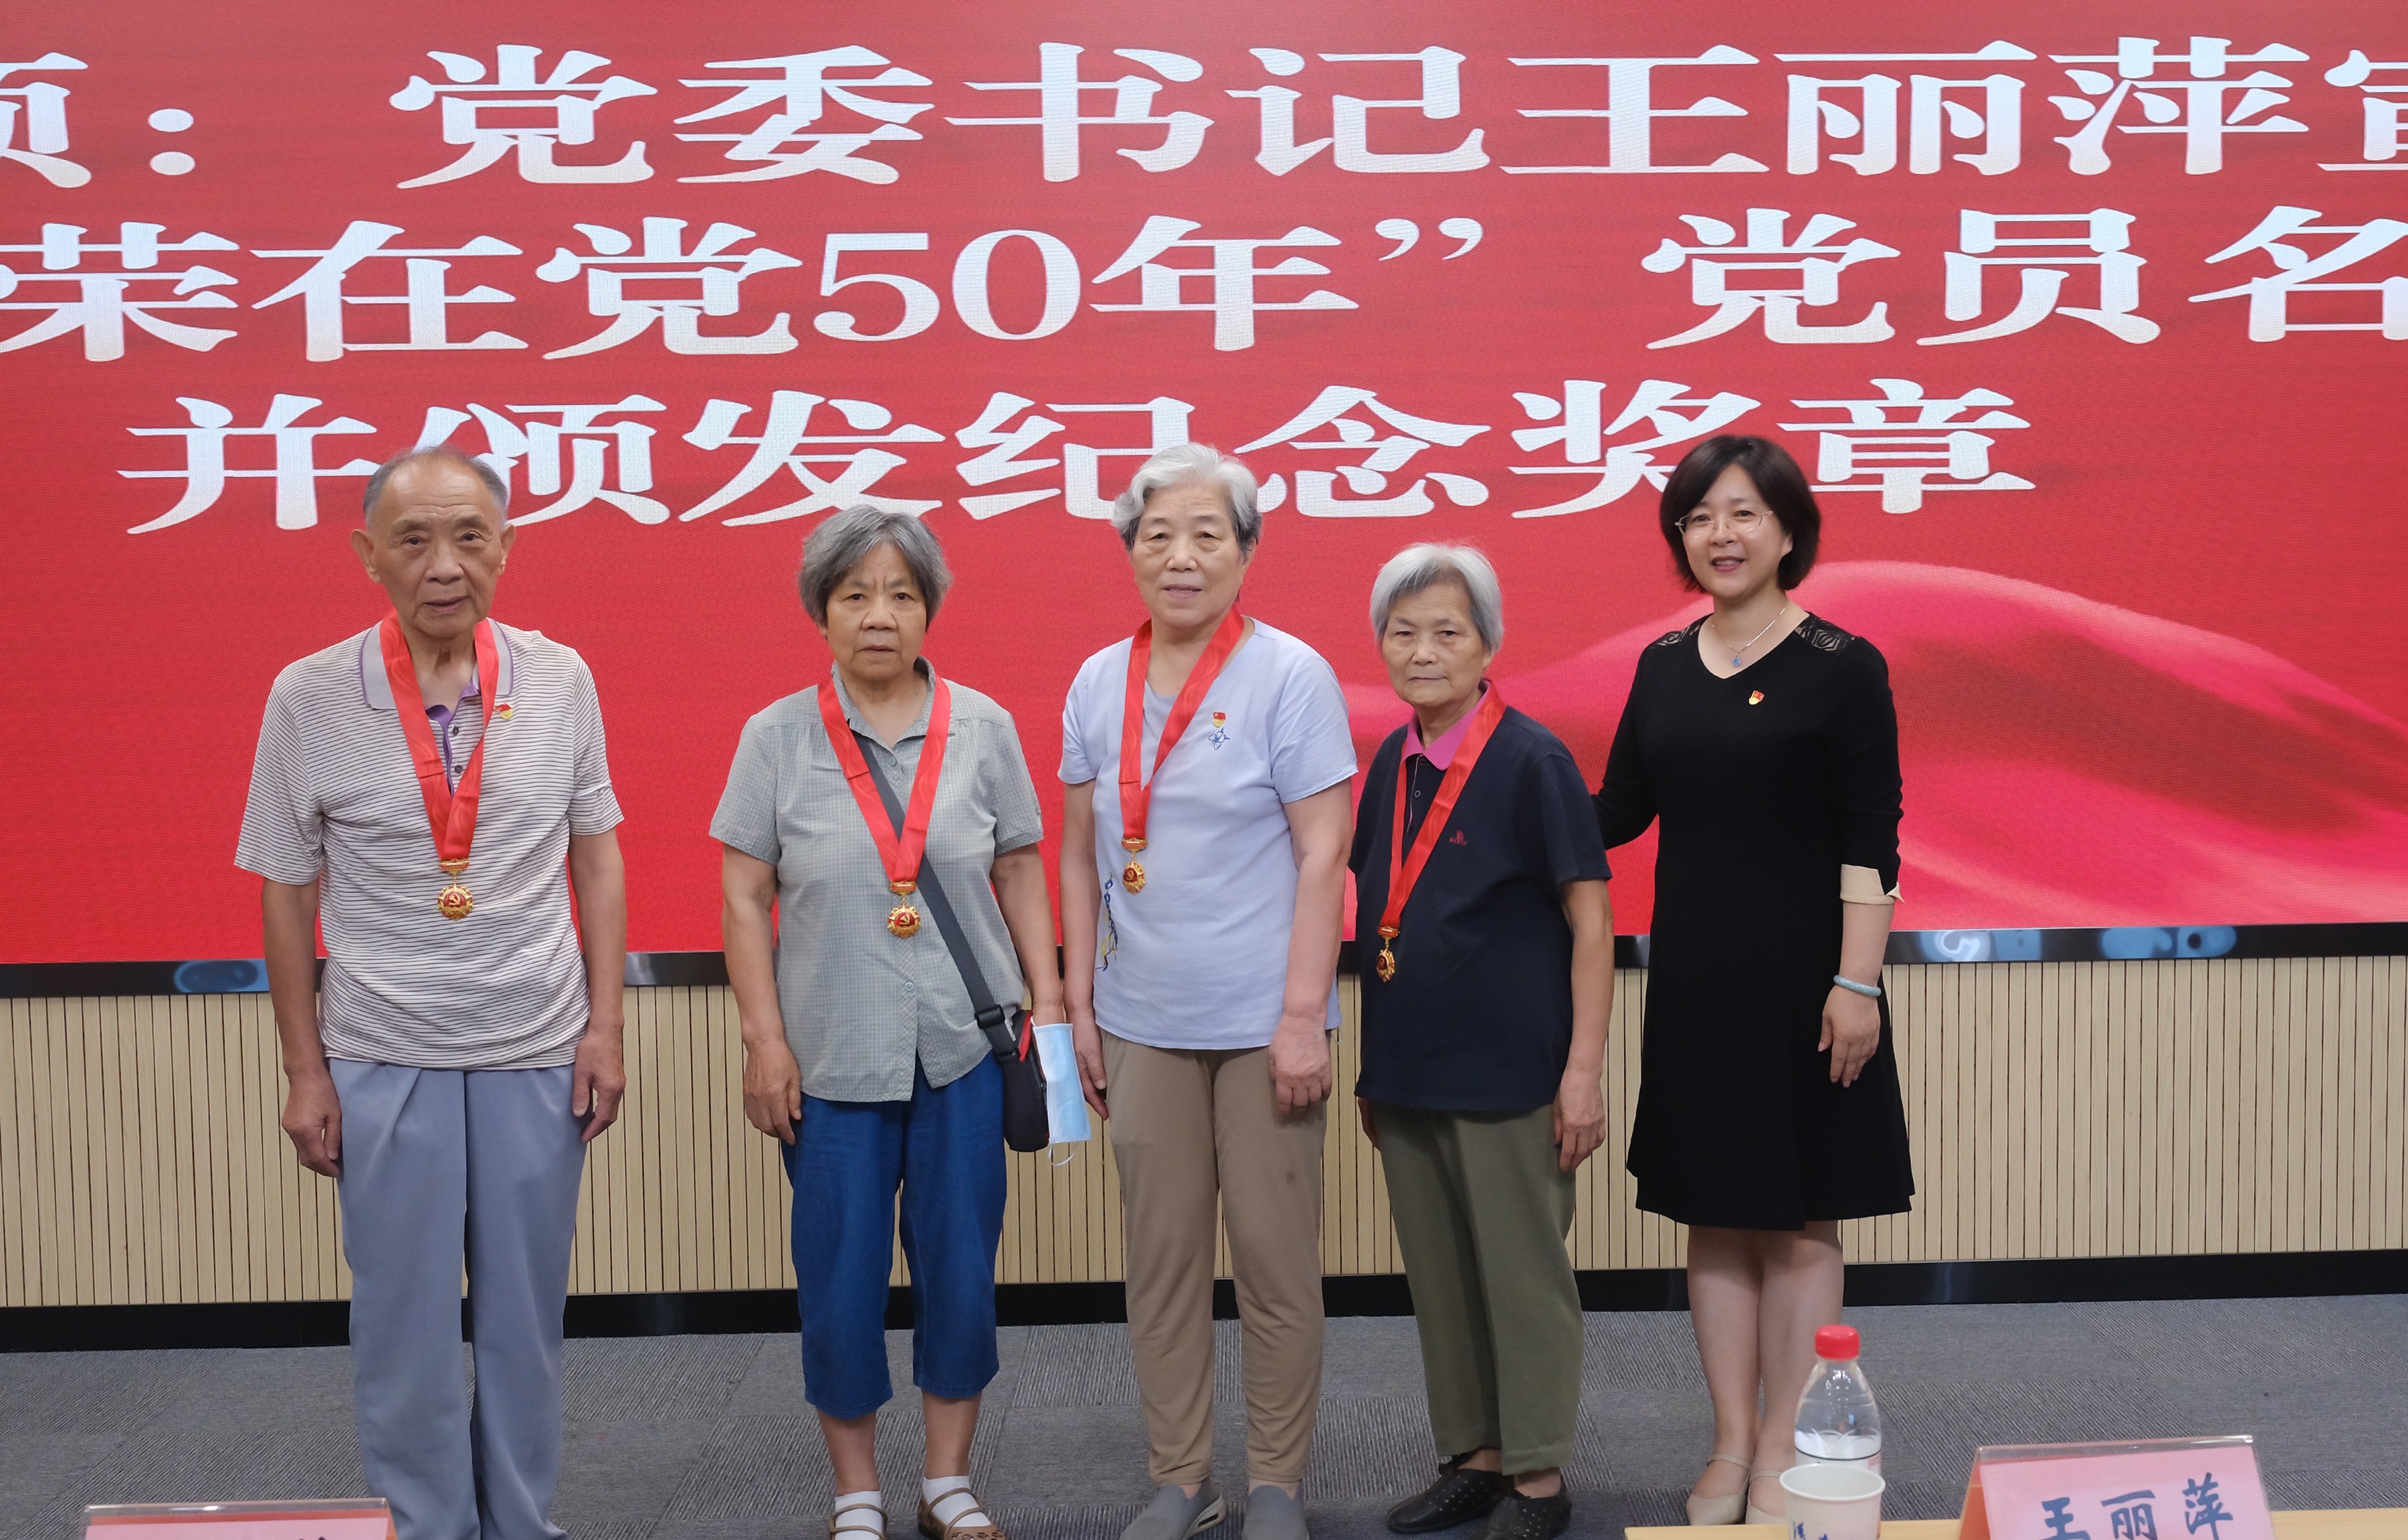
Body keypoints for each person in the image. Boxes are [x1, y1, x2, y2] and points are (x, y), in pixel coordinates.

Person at [238, 446, 628, 1540]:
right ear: (369, 555)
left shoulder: (561, 677)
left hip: (535, 1045)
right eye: (413, 540)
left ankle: (520, 1523)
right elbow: (285, 890)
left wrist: (604, 1026)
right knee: (401, 1325)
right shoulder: (308, 694)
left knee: (524, 1323)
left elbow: (597, 856)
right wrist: (306, 1071)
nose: (444, 565)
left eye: (469, 537)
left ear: (507, 548)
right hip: (381, 1052)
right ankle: (425, 1526)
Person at [714, 504, 1064, 1540]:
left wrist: (1044, 1000)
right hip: (829, 1057)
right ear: (821, 610)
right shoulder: (776, 736)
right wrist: (764, 1041)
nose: (880, 614)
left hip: (963, 1050)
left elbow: (1019, 866)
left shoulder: (984, 726)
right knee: (840, 1278)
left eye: (902, 594)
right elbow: (743, 894)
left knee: (961, 1272)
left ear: (929, 608)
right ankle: (857, 1489)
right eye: (856, 594)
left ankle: (948, 1481)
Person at [1591, 436, 1913, 1527]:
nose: (1719, 535)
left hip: (1811, 985)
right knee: (1716, 1215)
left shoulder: (1842, 663)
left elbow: (1872, 840)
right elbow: (1615, 813)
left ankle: (1784, 1444)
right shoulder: (1662, 664)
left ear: (1787, 531)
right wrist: (1500, 797)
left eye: (1742, 514)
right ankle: (1730, 1439)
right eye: (1699, 517)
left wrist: (1858, 984)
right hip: (1697, 982)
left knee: (1803, 1221)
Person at [1058, 444, 1356, 1540]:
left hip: (1265, 1024)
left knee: (1275, 1265)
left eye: (1206, 535)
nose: (1180, 556)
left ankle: (1277, 1480)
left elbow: (1325, 853)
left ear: (1245, 551)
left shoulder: (1290, 674)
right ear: (1131, 551)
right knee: (1163, 1265)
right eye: (1158, 535)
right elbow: (1079, 855)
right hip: (1139, 1022)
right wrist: (1078, 1007)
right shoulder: (1098, 680)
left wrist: (1301, 1015)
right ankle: (1182, 1477)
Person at [1348, 545, 1615, 1540]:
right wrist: (1375, 1068)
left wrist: (1582, 1072)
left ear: (1489, 645)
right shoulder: (1393, 759)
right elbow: (1383, 912)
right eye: (1403, 632)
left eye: (1446, 632)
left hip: (1511, 1073)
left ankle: (1538, 1477)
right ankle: (1475, 1457)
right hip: (1411, 1070)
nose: (1422, 652)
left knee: (1520, 1277)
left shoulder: (1534, 760)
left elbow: (1592, 922)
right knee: (1443, 1277)